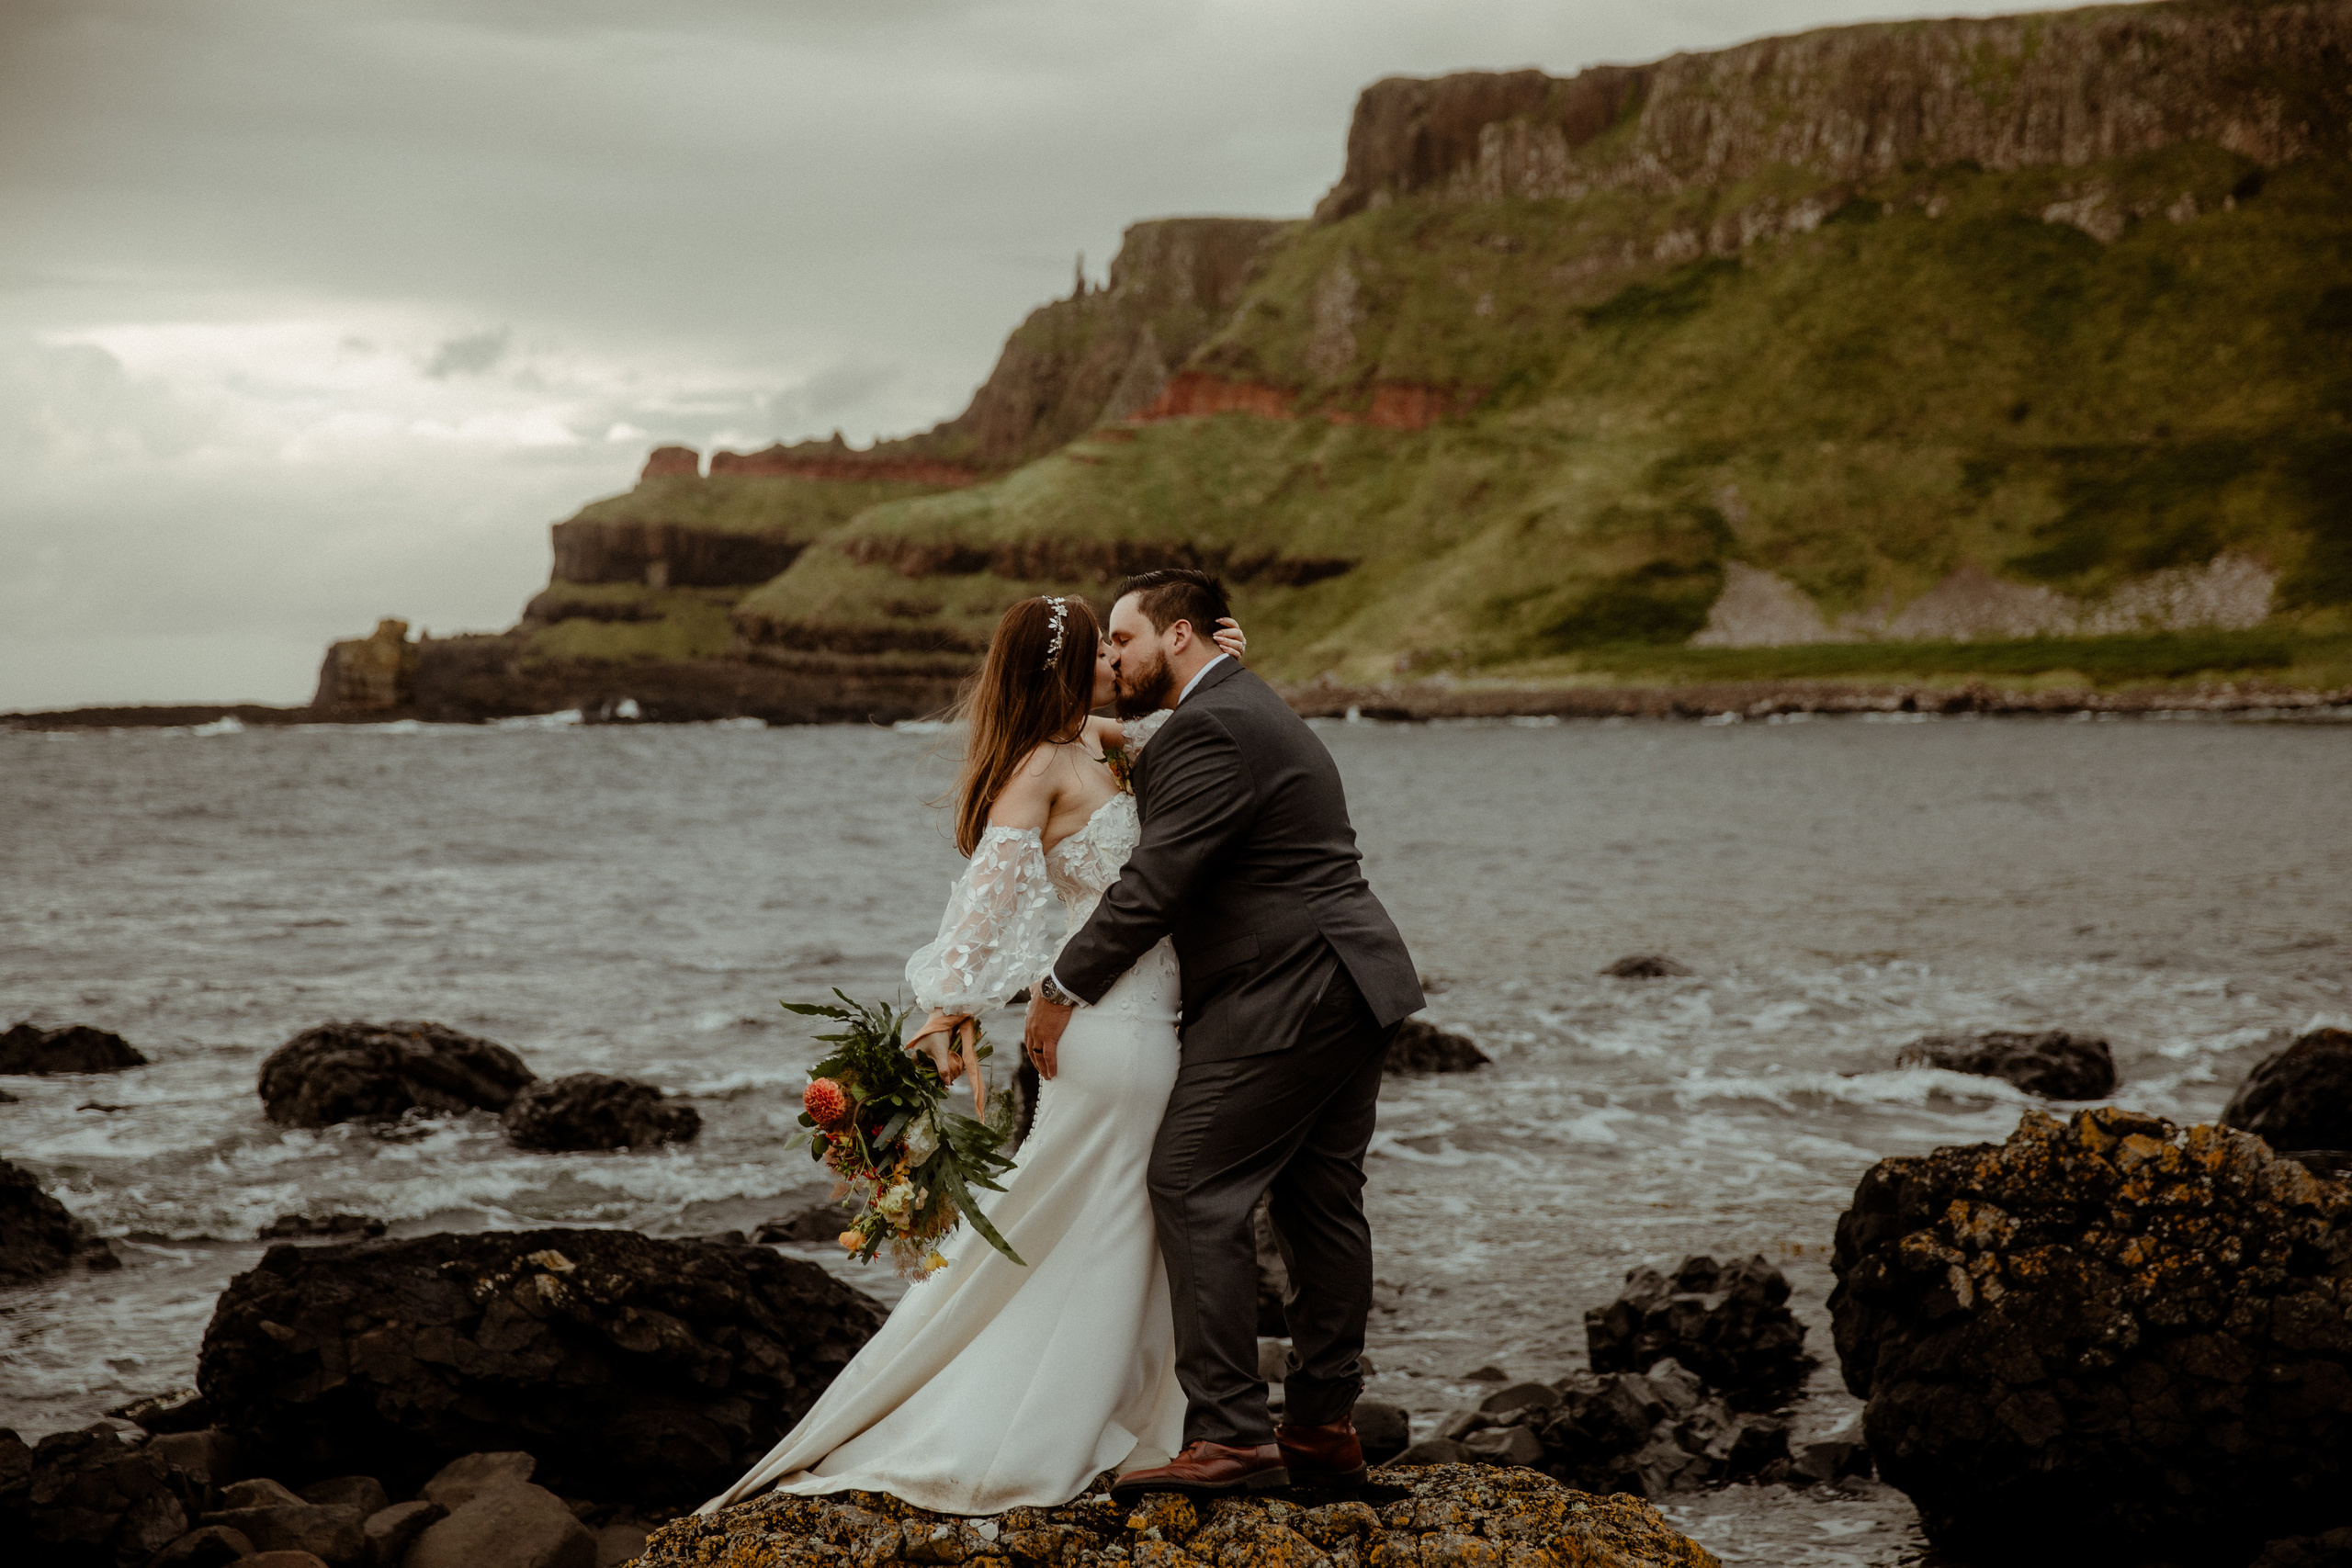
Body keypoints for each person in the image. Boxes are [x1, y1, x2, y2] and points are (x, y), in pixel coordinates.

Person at [695, 592, 1247, 1517]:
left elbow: (1201, 740)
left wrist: (1224, 666)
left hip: (1148, 1021)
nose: (1122, 657)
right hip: (1112, 1030)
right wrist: (946, 1006)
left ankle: (1119, 1413)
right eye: (1106, 648)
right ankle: (1033, 1426)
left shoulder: (1098, 747)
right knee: (1099, 1223)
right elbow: (984, 905)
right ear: (1075, 667)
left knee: (1102, 1224)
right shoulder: (1041, 769)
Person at [1024, 568, 1422, 1503]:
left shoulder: (1214, 724)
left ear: (1179, 636)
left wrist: (1058, 986)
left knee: (1193, 1181)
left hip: (1287, 988)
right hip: (1351, 981)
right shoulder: (1234, 706)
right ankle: (1322, 1431)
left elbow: (1156, 884)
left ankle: (1233, 1437)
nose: (1111, 658)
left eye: (1122, 639)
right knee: (1321, 1206)